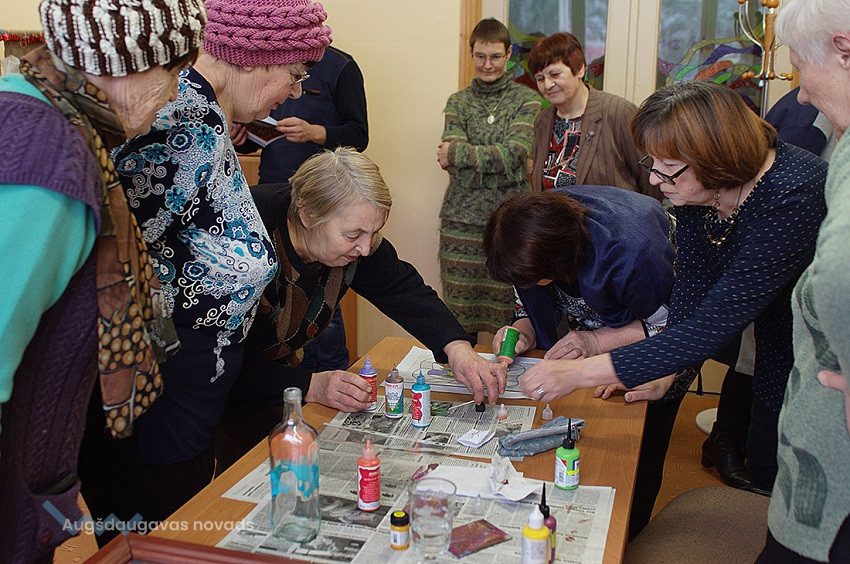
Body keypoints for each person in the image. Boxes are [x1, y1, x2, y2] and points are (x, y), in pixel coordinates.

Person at [518, 81, 827, 537]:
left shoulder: (792, 193)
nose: (655, 181)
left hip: (827, 360)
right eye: (652, 165)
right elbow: (690, 298)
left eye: (668, 169)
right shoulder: (702, 192)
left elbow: (713, 324)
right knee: (767, 462)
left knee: (805, 491)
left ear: (715, 157)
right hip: (779, 346)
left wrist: (580, 371)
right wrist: (668, 372)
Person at [77, 0, 331, 543]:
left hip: (189, 376)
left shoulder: (206, 113)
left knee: (174, 516)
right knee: (155, 532)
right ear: (254, 58)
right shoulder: (176, 115)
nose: (294, 92)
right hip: (156, 380)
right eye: (294, 74)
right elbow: (111, 248)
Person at [0, 0, 205, 559]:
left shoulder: (33, 111)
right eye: (174, 72)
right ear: (122, 63)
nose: (174, 95)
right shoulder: (49, 154)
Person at [218, 148, 508, 462]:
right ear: (308, 215)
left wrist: (458, 349)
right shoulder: (241, 232)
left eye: (375, 232)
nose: (366, 249)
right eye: (354, 234)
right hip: (217, 397)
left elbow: (402, 288)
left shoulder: (351, 238)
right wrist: (311, 386)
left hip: (273, 386)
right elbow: (220, 362)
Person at [703, 85, 841, 492]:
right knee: (761, 369)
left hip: (809, 273)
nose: (804, 95)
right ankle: (737, 451)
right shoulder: (805, 107)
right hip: (786, 270)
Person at [758, 1, 850, 560]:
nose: (805, 96)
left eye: (800, 69)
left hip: (832, 503)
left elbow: (839, 277)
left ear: (844, 50)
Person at [232, 45, 369, 374]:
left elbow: (358, 135)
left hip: (322, 200)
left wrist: (314, 133)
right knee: (271, 302)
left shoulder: (341, 66)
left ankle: (333, 376)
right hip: (271, 194)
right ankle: (285, 382)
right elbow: (256, 133)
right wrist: (242, 136)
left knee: (322, 306)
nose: (293, 91)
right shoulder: (269, 61)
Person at [483, 188, 674, 386]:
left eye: (530, 281)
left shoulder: (632, 257)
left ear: (556, 264)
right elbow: (529, 304)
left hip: (660, 327)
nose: (526, 286)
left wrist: (596, 341)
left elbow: (668, 324)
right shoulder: (529, 241)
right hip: (597, 330)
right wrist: (523, 333)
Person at [437, 18, 541, 337]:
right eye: (480, 56)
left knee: (511, 319)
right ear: (471, 53)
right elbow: (453, 163)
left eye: (495, 56)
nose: (487, 64)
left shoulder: (527, 100)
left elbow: (515, 153)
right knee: (457, 320)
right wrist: (504, 167)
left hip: (510, 225)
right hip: (460, 226)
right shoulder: (458, 102)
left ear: (508, 54)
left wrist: (461, 154)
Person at [527, 32, 660, 202]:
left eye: (555, 74)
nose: (547, 85)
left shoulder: (618, 112)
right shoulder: (543, 121)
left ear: (580, 69)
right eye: (540, 78)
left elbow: (652, 181)